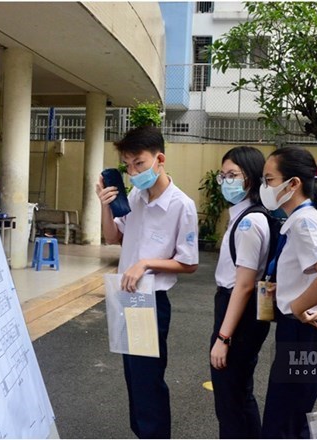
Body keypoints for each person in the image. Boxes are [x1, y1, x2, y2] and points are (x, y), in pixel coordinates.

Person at [95, 125, 199, 439]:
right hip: (125, 297)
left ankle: (154, 435)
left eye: (139, 163)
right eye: (127, 166)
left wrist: (145, 263)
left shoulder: (181, 205)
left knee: (147, 380)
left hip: (150, 302)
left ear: (159, 158)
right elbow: (112, 237)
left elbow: (189, 262)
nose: (133, 171)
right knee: (133, 377)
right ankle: (143, 434)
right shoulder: (136, 197)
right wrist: (105, 204)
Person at [259, 146, 317, 438]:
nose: (265, 188)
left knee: (282, 423)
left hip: (306, 330)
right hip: (302, 331)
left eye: (269, 180)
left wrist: (296, 307)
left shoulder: (305, 222)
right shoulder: (299, 219)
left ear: (292, 183)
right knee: (287, 418)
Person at [210, 146, 272, 439]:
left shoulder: (249, 222)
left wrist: (223, 338)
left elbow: (245, 284)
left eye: (233, 175)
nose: (226, 181)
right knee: (239, 396)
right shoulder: (244, 216)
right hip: (241, 311)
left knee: (231, 400)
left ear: (252, 178)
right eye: (223, 175)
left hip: (239, 312)